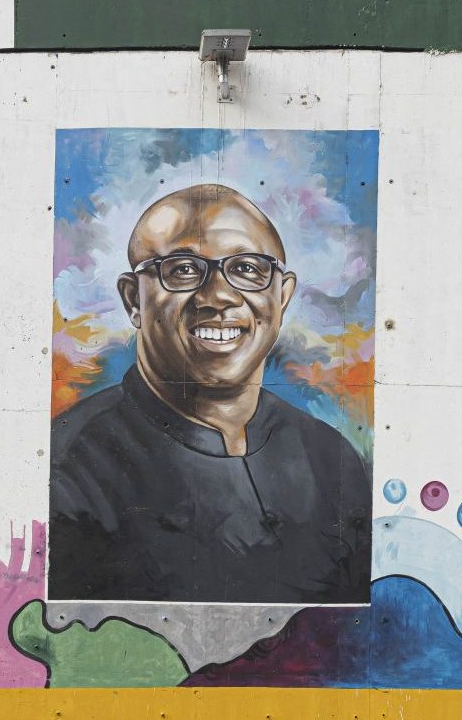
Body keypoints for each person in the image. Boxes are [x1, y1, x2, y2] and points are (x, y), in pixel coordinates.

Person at [50, 183, 371, 604]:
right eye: (182, 268)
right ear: (134, 300)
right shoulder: (68, 471)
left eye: (248, 270)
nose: (218, 295)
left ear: (283, 296)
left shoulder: (332, 459)